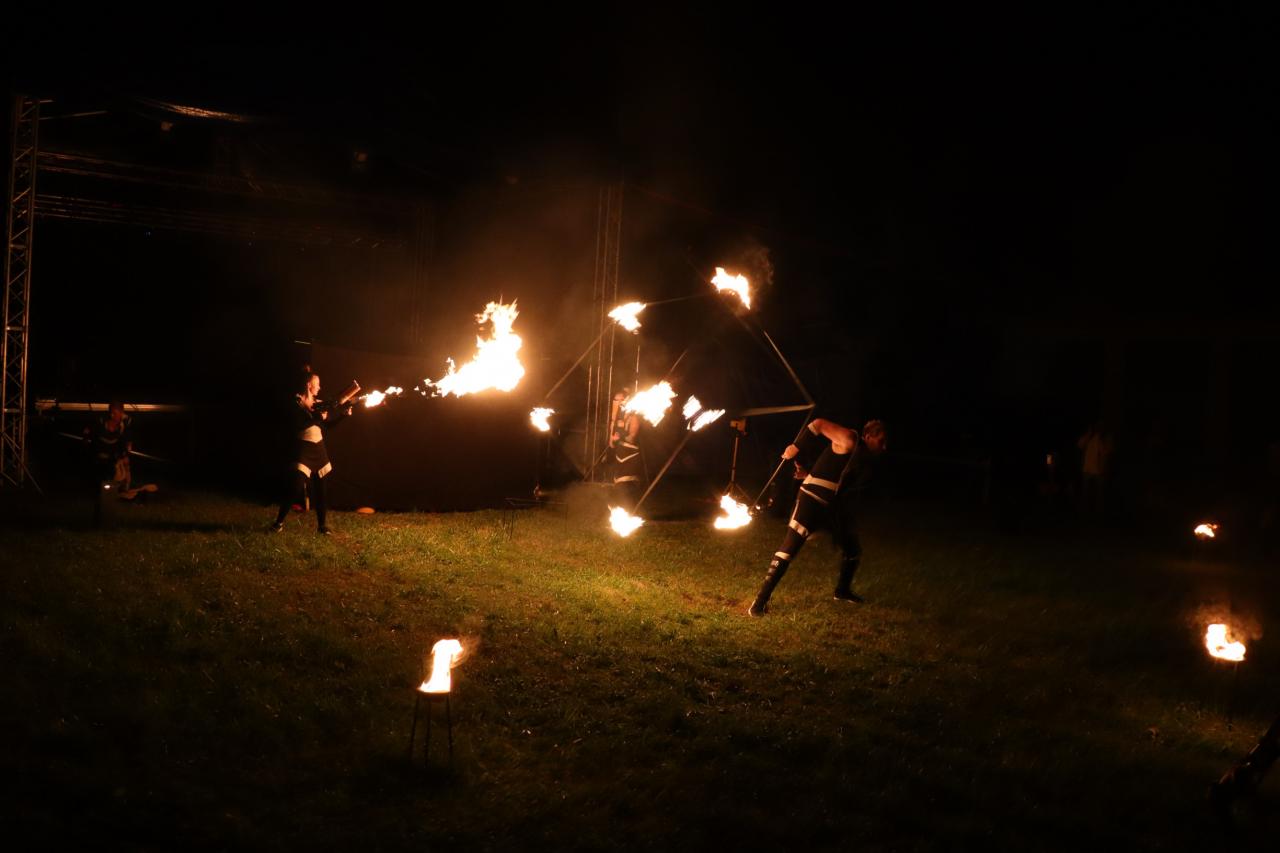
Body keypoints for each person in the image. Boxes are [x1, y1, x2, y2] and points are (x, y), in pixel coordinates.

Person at [748, 418, 887, 616]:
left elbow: (834, 473)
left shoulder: (863, 456)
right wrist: (796, 447)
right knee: (790, 549)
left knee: (852, 548)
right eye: (881, 441)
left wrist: (808, 474)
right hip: (811, 501)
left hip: (832, 506)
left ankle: (842, 591)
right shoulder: (850, 439)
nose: (884, 447)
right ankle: (759, 603)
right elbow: (819, 424)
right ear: (868, 436)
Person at [270, 368, 350, 535]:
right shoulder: (297, 402)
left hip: (319, 449)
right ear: (308, 384)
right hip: (304, 449)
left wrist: (342, 416)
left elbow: (326, 426)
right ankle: (278, 523)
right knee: (295, 486)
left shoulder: (318, 404)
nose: (320, 387)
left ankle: (322, 526)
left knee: (321, 489)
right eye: (317, 383)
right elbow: (299, 425)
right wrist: (316, 418)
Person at [84, 400, 133, 490]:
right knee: (100, 477)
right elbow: (87, 433)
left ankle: (121, 487)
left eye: (115, 413)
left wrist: (126, 455)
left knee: (121, 470)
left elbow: (126, 441)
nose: (112, 415)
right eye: (111, 413)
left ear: (121, 413)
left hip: (114, 452)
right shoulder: (101, 421)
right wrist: (87, 441)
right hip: (100, 451)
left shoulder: (125, 423)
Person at [609, 388, 645, 508]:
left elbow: (632, 438)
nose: (618, 403)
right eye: (616, 400)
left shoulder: (633, 417)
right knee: (618, 485)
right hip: (620, 454)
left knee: (627, 484)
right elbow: (611, 444)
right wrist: (614, 439)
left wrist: (621, 436)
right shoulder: (615, 419)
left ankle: (631, 508)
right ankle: (620, 509)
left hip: (631, 454)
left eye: (621, 400)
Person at [1077, 420, 1114, 514]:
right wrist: (1088, 434)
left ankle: (1099, 513)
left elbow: (1106, 452)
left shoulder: (1105, 438)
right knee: (1086, 493)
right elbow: (1080, 445)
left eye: (1100, 426)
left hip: (1099, 471)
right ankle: (1085, 511)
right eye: (1097, 426)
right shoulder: (1089, 437)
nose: (1098, 428)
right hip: (1087, 469)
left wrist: (1102, 440)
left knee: (1099, 494)